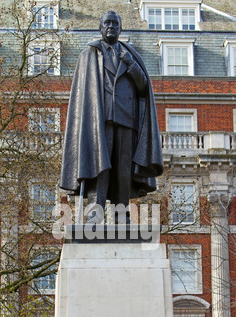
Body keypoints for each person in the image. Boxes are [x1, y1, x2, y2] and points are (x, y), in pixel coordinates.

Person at [60, 10, 163, 223]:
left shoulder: (131, 55)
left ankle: (121, 214)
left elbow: (144, 88)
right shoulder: (89, 55)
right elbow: (81, 98)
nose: (111, 27)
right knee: (99, 166)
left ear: (120, 28)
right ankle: (94, 213)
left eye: (115, 24)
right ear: (100, 27)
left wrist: (131, 65)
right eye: (107, 23)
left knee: (123, 169)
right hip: (98, 121)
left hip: (127, 120)